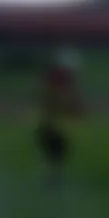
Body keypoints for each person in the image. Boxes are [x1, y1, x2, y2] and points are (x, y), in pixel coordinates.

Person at [36, 49, 81, 181]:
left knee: (56, 153)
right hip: (51, 125)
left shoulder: (54, 83)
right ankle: (51, 177)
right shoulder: (56, 86)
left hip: (50, 124)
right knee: (56, 152)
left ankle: (52, 176)